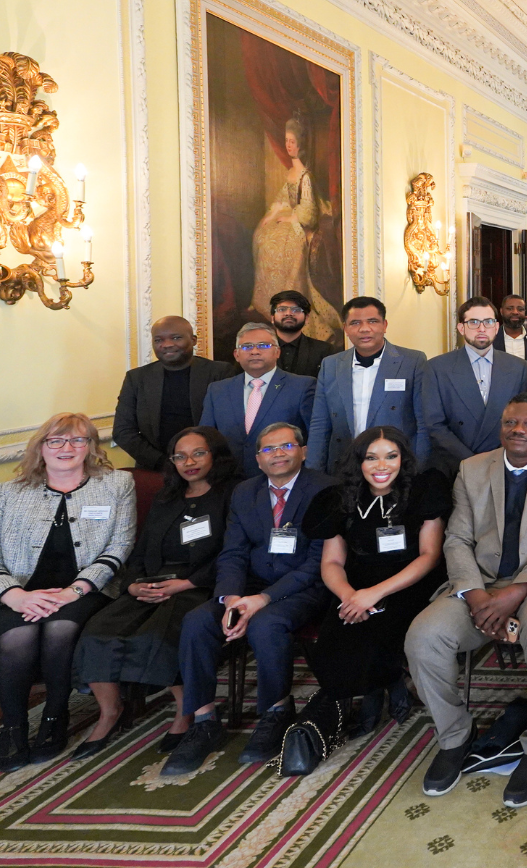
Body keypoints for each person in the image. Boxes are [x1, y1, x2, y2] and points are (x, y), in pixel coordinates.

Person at [406, 395, 527, 802]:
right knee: (423, 637)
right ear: (501, 426)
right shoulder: (470, 469)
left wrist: (515, 592)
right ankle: (454, 736)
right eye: (511, 423)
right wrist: (477, 596)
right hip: (479, 583)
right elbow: (457, 539)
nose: (519, 430)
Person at [163, 422, 336, 775]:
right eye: (268, 450)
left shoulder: (326, 489)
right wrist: (230, 598)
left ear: (302, 451)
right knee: (197, 621)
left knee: (267, 624)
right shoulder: (245, 493)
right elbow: (233, 553)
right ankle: (204, 720)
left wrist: (263, 599)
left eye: (286, 446)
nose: (278, 454)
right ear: (258, 459)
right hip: (247, 587)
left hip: (303, 589)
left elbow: (318, 562)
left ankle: (276, 710)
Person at [72, 428, 242, 761]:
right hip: (150, 582)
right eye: (179, 456)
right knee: (96, 631)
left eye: (198, 453)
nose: (188, 462)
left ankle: (185, 712)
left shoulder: (233, 494)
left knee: (161, 635)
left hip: (200, 585)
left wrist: (188, 583)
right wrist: (132, 584)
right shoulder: (167, 496)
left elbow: (234, 552)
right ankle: (111, 711)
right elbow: (140, 550)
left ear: (215, 456)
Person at [0, 415, 134, 771]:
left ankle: (54, 715)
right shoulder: (9, 492)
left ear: (91, 448)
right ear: (41, 448)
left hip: (85, 590)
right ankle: (13, 727)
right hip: (17, 592)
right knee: (17, 634)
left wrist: (72, 591)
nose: (67, 449)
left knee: (60, 629)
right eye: (56, 441)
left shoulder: (116, 485)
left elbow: (120, 547)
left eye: (78, 441)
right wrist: (15, 596)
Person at [289, 427, 448, 772]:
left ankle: (384, 684)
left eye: (391, 456)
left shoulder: (423, 490)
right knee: (335, 637)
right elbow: (331, 562)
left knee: (379, 627)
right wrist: (349, 595)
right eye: (371, 457)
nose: (381, 465)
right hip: (357, 581)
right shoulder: (341, 498)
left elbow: (428, 556)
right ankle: (376, 687)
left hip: (410, 581)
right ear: (358, 462)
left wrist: (373, 595)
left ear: (403, 458)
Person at [307, 297, 431, 471]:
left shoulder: (413, 361)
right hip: (344, 464)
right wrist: (313, 472)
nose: (364, 329)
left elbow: (423, 423)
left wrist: (418, 468)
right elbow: (320, 424)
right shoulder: (331, 365)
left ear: (384, 325)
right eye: (355, 323)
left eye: (372, 321)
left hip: (395, 465)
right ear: (346, 328)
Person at [421, 297, 527, 477]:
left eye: (488, 322)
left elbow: (523, 420)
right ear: (461, 328)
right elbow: (434, 425)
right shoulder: (437, 368)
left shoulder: (518, 368)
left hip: (503, 465)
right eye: (473, 322)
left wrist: (499, 458)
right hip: (454, 467)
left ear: (496, 327)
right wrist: (470, 462)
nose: (482, 329)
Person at [249, 115, 340, 339]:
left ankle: (288, 303)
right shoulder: (290, 173)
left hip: (300, 224)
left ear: (300, 144)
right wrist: (271, 215)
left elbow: (308, 210)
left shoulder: (305, 176)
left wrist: (291, 219)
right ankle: (264, 300)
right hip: (288, 217)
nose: (289, 145)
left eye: (292, 141)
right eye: (286, 141)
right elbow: (282, 199)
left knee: (282, 246)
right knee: (263, 237)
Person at [114, 315, 238, 471]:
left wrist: (201, 460)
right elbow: (122, 431)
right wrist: (163, 463)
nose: (167, 345)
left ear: (193, 340)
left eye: (176, 338)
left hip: (210, 469)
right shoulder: (137, 378)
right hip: (156, 470)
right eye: (158, 340)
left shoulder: (219, 372)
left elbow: (230, 426)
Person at [200, 323, 316, 479]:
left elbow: (315, 438)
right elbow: (206, 438)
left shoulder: (302, 386)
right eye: (247, 347)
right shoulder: (218, 390)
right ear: (236, 354)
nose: (255, 351)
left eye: (263, 345)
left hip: (285, 479)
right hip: (227, 481)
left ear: (277, 352)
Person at [269, 290, 339, 378]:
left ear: (306, 318)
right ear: (272, 318)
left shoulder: (324, 350)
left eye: (296, 310)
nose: (289, 313)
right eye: (282, 309)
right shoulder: (260, 349)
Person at [494, 294, 527, 376]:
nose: (515, 312)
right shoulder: (491, 338)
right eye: (510, 308)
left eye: (520, 309)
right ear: (501, 311)